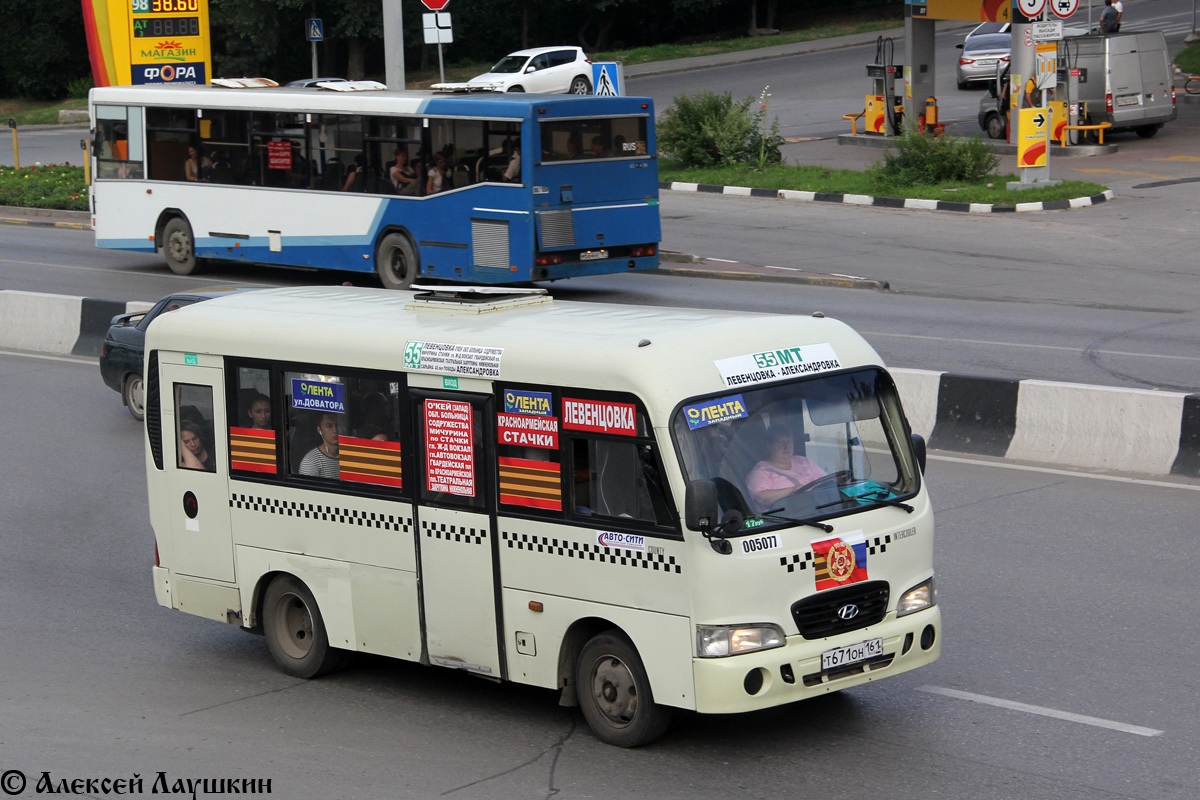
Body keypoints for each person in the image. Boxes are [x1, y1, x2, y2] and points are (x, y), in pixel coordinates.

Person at [744, 424, 826, 514]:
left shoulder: (802, 461)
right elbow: (761, 498)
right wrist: (792, 490)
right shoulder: (760, 472)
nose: (786, 447)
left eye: (789, 442)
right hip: (785, 520)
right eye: (780, 443)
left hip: (819, 510)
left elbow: (824, 480)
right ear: (769, 446)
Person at [298, 412, 341, 478]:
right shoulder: (310, 461)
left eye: (338, 425)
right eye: (329, 426)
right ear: (319, 429)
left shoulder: (350, 455)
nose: (335, 430)